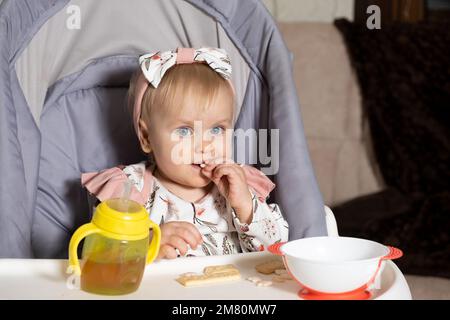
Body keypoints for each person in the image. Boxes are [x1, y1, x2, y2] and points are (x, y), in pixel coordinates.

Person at [81, 47, 288, 259]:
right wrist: (148, 245)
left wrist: (245, 206)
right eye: (185, 130)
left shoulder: (238, 186)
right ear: (146, 137)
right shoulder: (130, 189)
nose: (204, 145)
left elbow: (279, 251)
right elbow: (98, 256)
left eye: (217, 129)